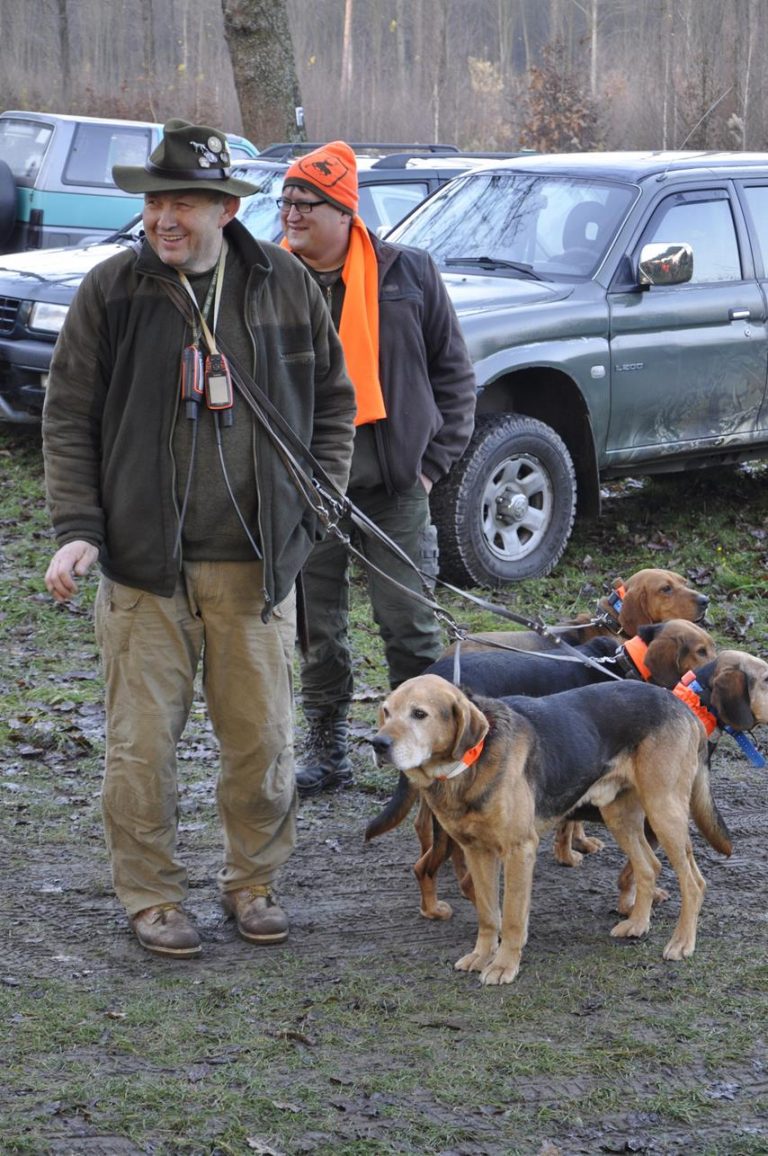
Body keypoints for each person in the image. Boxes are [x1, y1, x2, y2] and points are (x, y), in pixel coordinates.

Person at [42, 120, 356, 958]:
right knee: (139, 751)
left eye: (181, 201)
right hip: (145, 570)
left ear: (224, 208)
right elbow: (68, 417)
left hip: (255, 568)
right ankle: (151, 897)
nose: (162, 218)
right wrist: (77, 531)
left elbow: (333, 401)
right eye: (153, 202)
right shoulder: (112, 291)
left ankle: (252, 884)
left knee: (261, 745)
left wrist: (317, 501)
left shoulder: (285, 284)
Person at [279, 141, 476, 797]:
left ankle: (420, 760)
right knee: (319, 631)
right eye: (285, 201)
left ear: (343, 210)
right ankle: (328, 752)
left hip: (394, 491)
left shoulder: (407, 274)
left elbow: (454, 376)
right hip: (308, 493)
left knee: (411, 629)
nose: (290, 214)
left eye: (304, 203)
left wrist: (429, 468)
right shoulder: (273, 280)